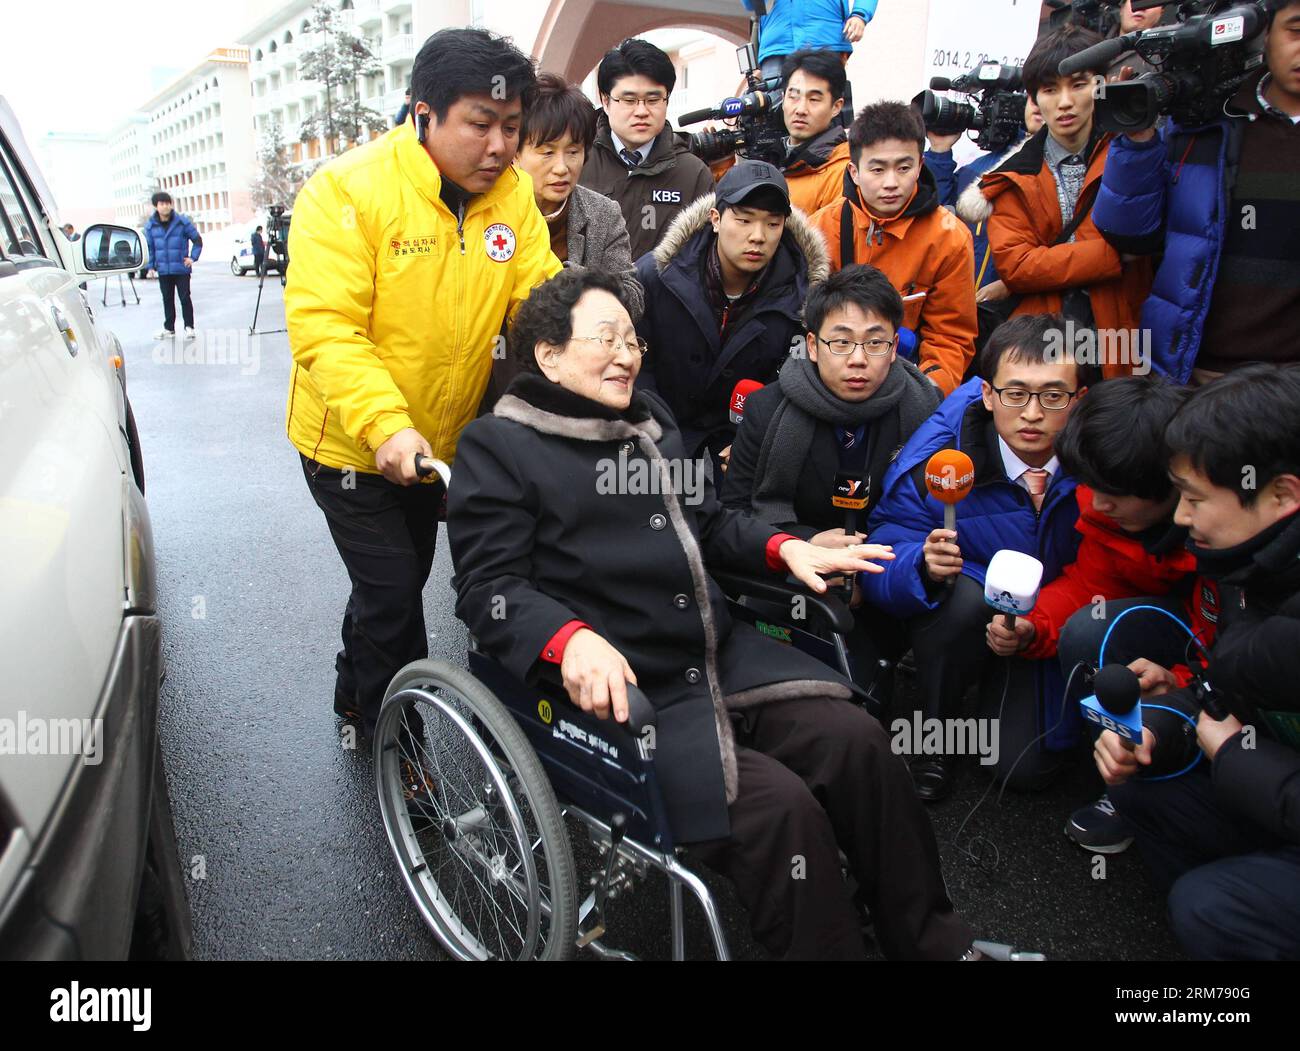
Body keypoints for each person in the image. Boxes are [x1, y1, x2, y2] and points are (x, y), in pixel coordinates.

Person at [448, 265, 986, 961]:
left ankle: (930, 940)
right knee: (781, 812)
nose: (627, 353)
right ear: (548, 355)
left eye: (633, 340)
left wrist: (785, 547)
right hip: (623, 696)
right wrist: (566, 639)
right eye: (605, 338)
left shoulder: (652, 420)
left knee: (860, 743)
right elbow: (487, 585)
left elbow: (706, 522)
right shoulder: (501, 445)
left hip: (716, 657)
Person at [284, 28, 561, 739]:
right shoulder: (346, 190)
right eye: (479, 124)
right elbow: (327, 328)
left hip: (436, 445)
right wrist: (386, 425)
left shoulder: (512, 197)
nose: (500, 146)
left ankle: (352, 697)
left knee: (392, 584)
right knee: (394, 599)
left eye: (511, 126)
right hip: (352, 444)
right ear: (423, 114)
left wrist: (599, 348)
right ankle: (396, 750)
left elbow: (543, 300)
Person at [1096, 364, 1300, 960]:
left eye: (1194, 500)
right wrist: (1156, 730)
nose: (1180, 519)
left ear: (1282, 494)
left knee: (1208, 906)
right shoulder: (1258, 569)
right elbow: (1222, 693)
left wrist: (1234, 755)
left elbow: (1233, 725)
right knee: (1143, 788)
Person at [861, 314, 1098, 799]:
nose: (1032, 413)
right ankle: (936, 738)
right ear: (988, 396)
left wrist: (1043, 623)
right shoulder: (943, 460)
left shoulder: (1105, 460)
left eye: (1053, 396)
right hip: (971, 612)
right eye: (1015, 393)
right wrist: (919, 566)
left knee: (1019, 769)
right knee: (960, 600)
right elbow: (885, 542)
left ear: (1080, 401)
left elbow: (1114, 573)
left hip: (1050, 622)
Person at [983, 374, 1217, 852]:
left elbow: (1237, 645)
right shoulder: (1107, 500)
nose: (1099, 501)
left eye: (1117, 491)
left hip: (1210, 661)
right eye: (1092, 484)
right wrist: (1034, 626)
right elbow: (1091, 586)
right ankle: (1115, 766)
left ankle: (1150, 785)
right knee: (1089, 629)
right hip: (1166, 639)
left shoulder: (1219, 531)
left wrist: (1184, 683)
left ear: (1172, 483)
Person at [722, 264, 941, 699]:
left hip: (890, 574)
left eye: (875, 342)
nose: (858, 359)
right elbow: (732, 515)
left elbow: (931, 514)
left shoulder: (924, 409)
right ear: (813, 346)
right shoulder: (768, 410)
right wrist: (805, 544)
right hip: (791, 577)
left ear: (895, 346)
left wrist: (870, 569)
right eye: (840, 342)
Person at [1093, 0, 1300, 385]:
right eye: (1296, 30)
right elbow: (1130, 235)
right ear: (1264, 33)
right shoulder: (1204, 122)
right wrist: (1136, 143)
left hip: (1290, 386)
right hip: (1196, 373)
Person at [972, 26, 1153, 379]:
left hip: (1121, 329)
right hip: (1044, 339)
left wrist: (1050, 263)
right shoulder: (1011, 174)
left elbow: (1148, 234)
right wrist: (1113, 255)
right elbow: (1018, 265)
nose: (1064, 102)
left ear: (1100, 85)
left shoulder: (1129, 150)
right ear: (1034, 98)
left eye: (1079, 84)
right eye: (1050, 89)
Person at [634, 160, 827, 471]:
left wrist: (754, 437)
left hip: (743, 445)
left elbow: (797, 384)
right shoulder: (657, 274)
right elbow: (633, 363)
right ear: (716, 218)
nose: (758, 236)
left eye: (773, 223)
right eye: (743, 220)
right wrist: (656, 432)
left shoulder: (805, 298)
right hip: (654, 435)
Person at [810, 101, 977, 395]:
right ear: (854, 171)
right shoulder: (821, 229)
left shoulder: (950, 238)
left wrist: (927, 394)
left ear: (920, 165)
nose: (891, 183)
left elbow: (950, 339)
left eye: (904, 167)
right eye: (877, 168)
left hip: (907, 383)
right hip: (829, 380)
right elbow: (805, 324)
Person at [577, 38, 715, 260]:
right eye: (629, 100)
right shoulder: (578, 159)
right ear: (605, 100)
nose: (641, 111)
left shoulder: (694, 174)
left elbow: (701, 257)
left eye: (653, 99)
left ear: (667, 100)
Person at [934, 97, 1044, 301]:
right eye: (1032, 94)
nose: (1038, 104)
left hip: (1021, 312)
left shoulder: (1062, 170)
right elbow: (942, 220)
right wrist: (939, 152)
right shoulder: (977, 169)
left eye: (1049, 90)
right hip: (962, 304)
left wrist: (1013, 283)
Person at [143, 191, 202, 341]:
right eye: (162, 204)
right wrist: (150, 267)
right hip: (163, 269)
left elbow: (197, 240)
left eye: (168, 203)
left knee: (184, 298)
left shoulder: (182, 222)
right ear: (156, 206)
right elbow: (150, 247)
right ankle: (169, 328)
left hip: (181, 268)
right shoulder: (150, 226)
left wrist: (192, 258)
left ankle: (189, 327)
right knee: (167, 299)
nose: (165, 207)